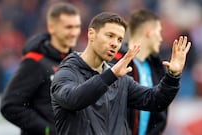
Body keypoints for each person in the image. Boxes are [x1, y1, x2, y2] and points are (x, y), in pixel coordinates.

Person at [50, 12, 191, 135]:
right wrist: (110, 76)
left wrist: (172, 76)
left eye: (119, 39)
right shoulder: (66, 72)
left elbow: (155, 101)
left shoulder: (120, 78)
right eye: (110, 35)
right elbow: (74, 99)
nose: (115, 44)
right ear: (91, 34)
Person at [0, 2, 81, 135]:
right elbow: (10, 106)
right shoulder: (35, 61)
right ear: (51, 27)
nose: (74, 33)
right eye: (68, 27)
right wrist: (47, 130)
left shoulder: (75, 62)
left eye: (77, 27)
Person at [111, 9, 167, 135]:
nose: (161, 38)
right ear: (149, 32)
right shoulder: (116, 62)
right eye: (159, 32)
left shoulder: (157, 68)